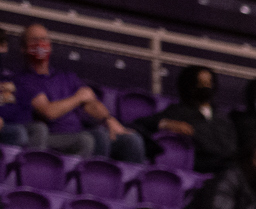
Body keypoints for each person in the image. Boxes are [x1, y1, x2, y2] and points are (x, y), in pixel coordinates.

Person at [12, 24, 144, 161]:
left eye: (44, 39)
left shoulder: (66, 77)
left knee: (131, 140)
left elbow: (91, 103)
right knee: (95, 138)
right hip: (52, 138)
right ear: (23, 48)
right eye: (34, 40)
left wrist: (108, 120)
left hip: (79, 132)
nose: (40, 44)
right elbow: (49, 112)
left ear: (50, 45)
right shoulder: (24, 80)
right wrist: (78, 98)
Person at [135, 64, 237, 173]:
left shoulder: (223, 118)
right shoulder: (178, 111)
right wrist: (167, 124)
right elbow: (142, 124)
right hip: (199, 164)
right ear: (190, 87)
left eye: (208, 83)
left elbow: (232, 148)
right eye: (201, 84)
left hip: (226, 165)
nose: (206, 87)